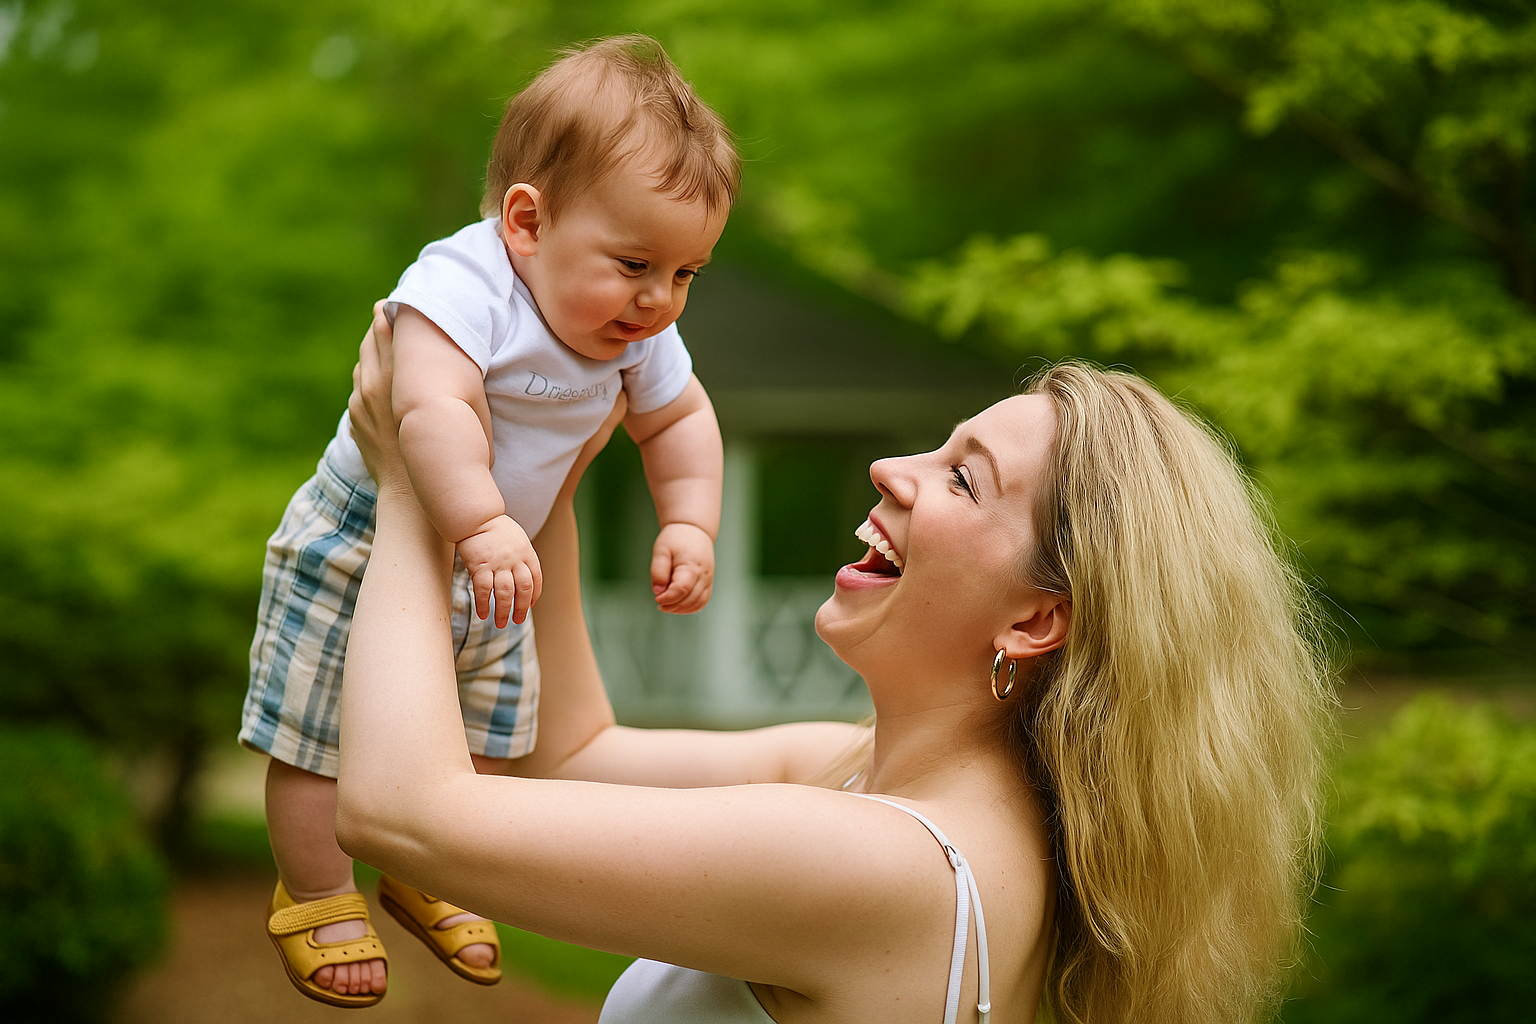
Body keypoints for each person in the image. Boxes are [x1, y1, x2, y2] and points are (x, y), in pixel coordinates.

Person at [335, 307, 1333, 1023]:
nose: (891, 470)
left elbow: (401, 812)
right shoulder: (859, 777)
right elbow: (569, 753)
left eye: (959, 477)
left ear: (1036, 619)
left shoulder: (883, 864)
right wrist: (541, 473)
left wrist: (415, 484)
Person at [241, 36, 738, 1006]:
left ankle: (432, 865)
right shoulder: (466, 287)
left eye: (686, 274)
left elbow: (682, 418)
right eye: (637, 262)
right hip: (369, 534)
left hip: (494, 553)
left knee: (490, 726)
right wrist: (479, 521)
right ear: (525, 221)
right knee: (318, 732)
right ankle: (315, 889)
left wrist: (691, 520)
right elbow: (429, 410)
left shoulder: (635, 332)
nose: (660, 299)